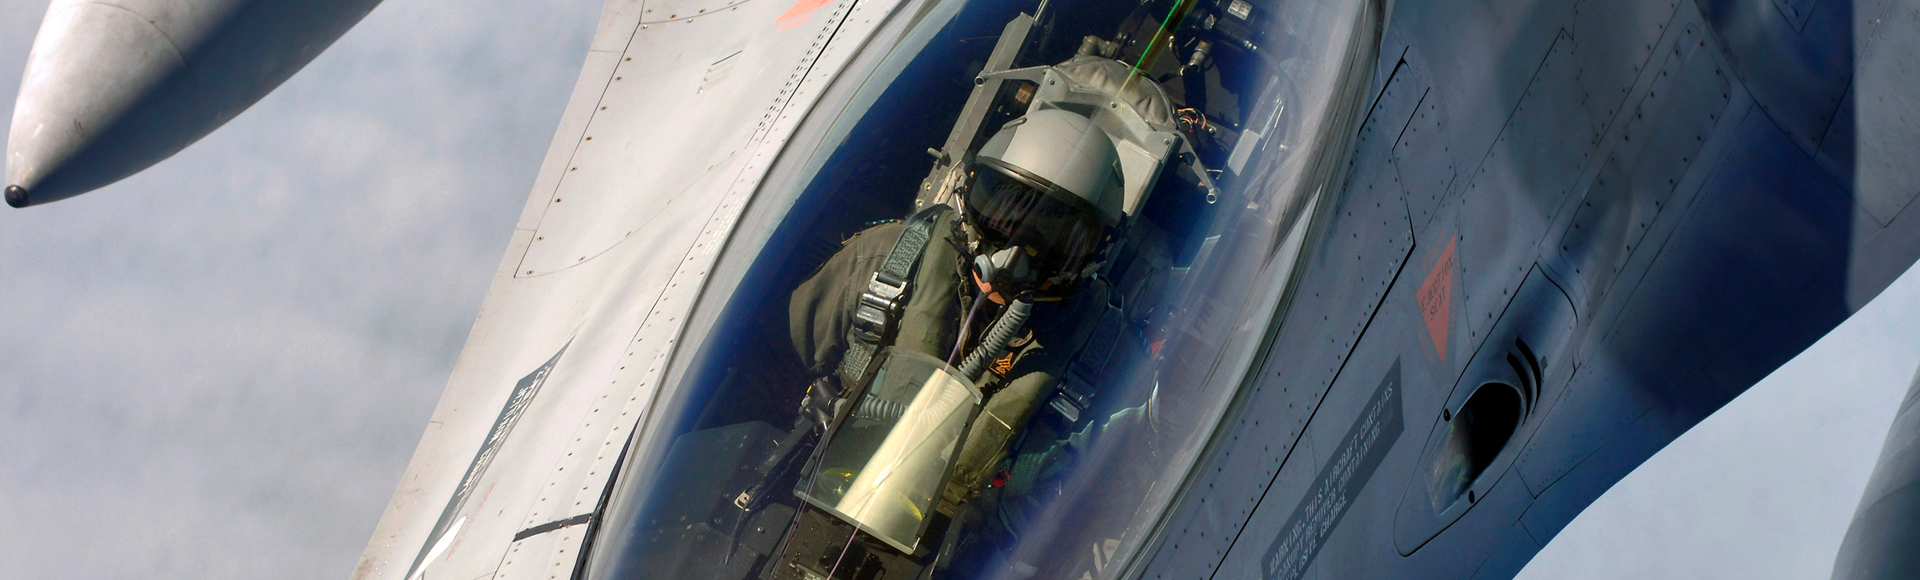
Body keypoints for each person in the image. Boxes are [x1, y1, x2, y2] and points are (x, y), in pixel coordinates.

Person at [787, 106, 1127, 521]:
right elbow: (773, 365)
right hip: (818, 492)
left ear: (1092, 256)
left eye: (1051, 243)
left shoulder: (1104, 363)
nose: (1010, 259)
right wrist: (812, 404)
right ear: (968, 194)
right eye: (1001, 219)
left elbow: (1112, 510)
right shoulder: (883, 263)